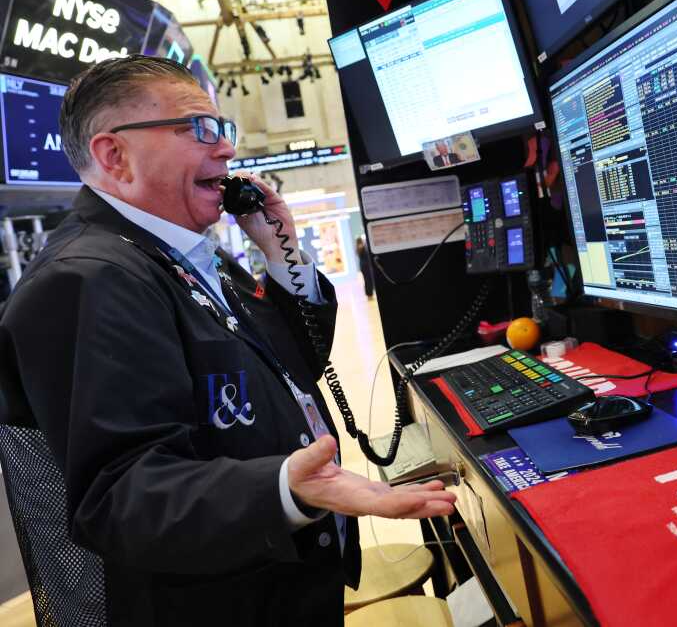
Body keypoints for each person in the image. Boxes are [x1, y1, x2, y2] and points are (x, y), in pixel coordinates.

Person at [0, 56, 455, 626]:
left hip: (280, 578)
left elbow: (294, 363)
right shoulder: (86, 280)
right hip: (221, 600)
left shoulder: (185, 253)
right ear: (114, 155)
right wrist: (283, 486)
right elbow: (121, 494)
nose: (225, 150)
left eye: (222, 129)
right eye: (197, 129)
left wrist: (280, 251)